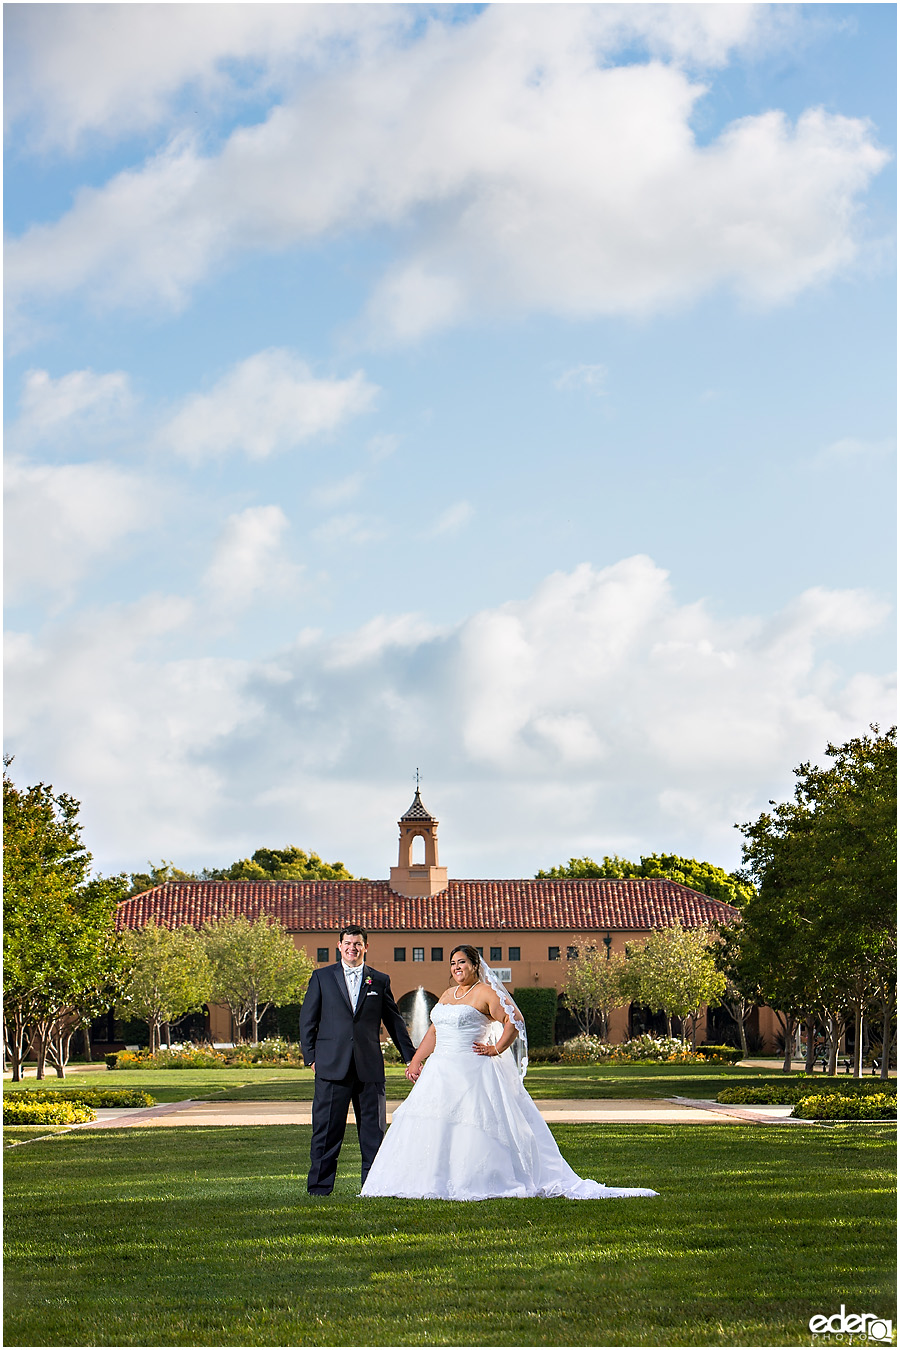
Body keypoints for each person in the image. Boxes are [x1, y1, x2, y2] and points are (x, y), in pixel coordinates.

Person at [361, 944, 658, 1201]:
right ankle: (428, 1180)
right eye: (452, 964)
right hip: (440, 1070)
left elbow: (514, 1020)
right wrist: (416, 1060)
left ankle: (479, 1180)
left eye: (462, 962)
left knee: (473, 1125)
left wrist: (497, 1048)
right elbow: (435, 1031)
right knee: (431, 1124)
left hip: (472, 1070)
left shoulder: (486, 993)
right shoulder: (448, 995)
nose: (456, 968)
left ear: (475, 965)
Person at [300, 925, 416, 1195]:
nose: (353, 948)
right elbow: (308, 1020)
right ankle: (319, 1188)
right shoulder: (321, 978)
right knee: (326, 1132)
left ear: (366, 947)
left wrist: (411, 1058)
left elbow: (395, 1023)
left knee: (373, 1135)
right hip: (331, 1067)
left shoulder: (379, 980)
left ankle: (373, 1188)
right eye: (348, 943)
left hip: (369, 1069)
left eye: (358, 944)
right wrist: (311, 1058)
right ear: (339, 946)